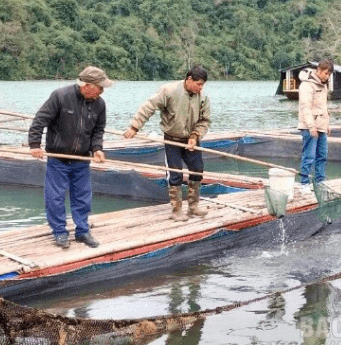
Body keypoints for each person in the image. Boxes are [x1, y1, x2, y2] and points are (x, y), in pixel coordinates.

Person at [28, 66, 113, 249]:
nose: (102, 90)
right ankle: (59, 232)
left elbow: (98, 131)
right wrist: (35, 145)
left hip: (82, 160)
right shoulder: (60, 96)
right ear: (88, 86)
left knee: (83, 197)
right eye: (100, 86)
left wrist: (97, 148)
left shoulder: (100, 104)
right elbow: (39, 120)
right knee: (55, 198)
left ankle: (82, 231)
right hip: (58, 159)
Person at [123, 65, 211, 221]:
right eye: (199, 84)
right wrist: (135, 126)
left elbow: (205, 120)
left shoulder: (202, 97)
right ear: (189, 79)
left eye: (202, 85)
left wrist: (195, 135)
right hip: (172, 139)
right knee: (175, 174)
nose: (200, 88)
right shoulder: (168, 90)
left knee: (197, 169)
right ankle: (176, 209)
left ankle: (193, 206)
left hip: (191, 140)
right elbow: (148, 107)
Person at [297, 59, 333, 194]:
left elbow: (323, 107)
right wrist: (311, 126)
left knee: (322, 155)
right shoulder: (307, 85)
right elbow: (305, 107)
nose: (327, 76)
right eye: (325, 73)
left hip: (322, 126)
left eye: (329, 74)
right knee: (309, 156)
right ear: (318, 70)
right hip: (309, 127)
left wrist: (327, 124)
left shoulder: (324, 85)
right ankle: (304, 183)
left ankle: (320, 182)